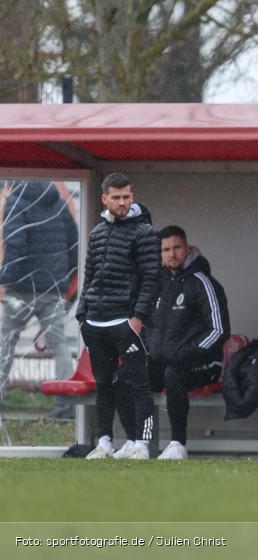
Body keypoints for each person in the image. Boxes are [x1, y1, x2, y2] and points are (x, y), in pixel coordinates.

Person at [118, 225, 230, 461]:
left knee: (174, 374)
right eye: (166, 249)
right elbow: (144, 326)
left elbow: (219, 330)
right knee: (130, 375)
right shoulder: (156, 284)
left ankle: (178, 445)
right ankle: (138, 443)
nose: (172, 254)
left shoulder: (202, 281)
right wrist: (145, 350)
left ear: (187, 248)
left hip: (204, 364)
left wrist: (187, 352)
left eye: (177, 247)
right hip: (165, 360)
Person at [76, 173, 160, 460]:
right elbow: (89, 277)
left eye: (127, 197)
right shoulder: (97, 233)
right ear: (104, 199)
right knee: (104, 385)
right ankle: (104, 443)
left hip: (125, 322)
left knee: (139, 384)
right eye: (117, 197)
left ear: (132, 197)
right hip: (96, 323)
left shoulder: (145, 232)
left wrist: (137, 319)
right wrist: (82, 316)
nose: (123, 202)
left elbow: (152, 278)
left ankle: (143, 444)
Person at [0, 181, 78, 417]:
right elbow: (74, 244)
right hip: (52, 289)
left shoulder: (17, 202)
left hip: (21, 289)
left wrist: (4, 278)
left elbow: (15, 244)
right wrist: (65, 279)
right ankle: (68, 405)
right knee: (59, 346)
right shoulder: (60, 204)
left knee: (5, 345)